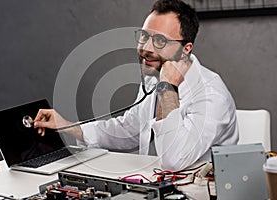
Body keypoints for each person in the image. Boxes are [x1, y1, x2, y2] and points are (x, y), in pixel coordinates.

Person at [34, 0, 239, 171]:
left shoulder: (212, 95)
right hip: (157, 184)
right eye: (144, 36)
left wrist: (168, 87)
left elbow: (173, 160)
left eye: (159, 41)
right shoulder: (153, 78)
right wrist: (69, 126)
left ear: (185, 49)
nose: (146, 48)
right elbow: (130, 129)